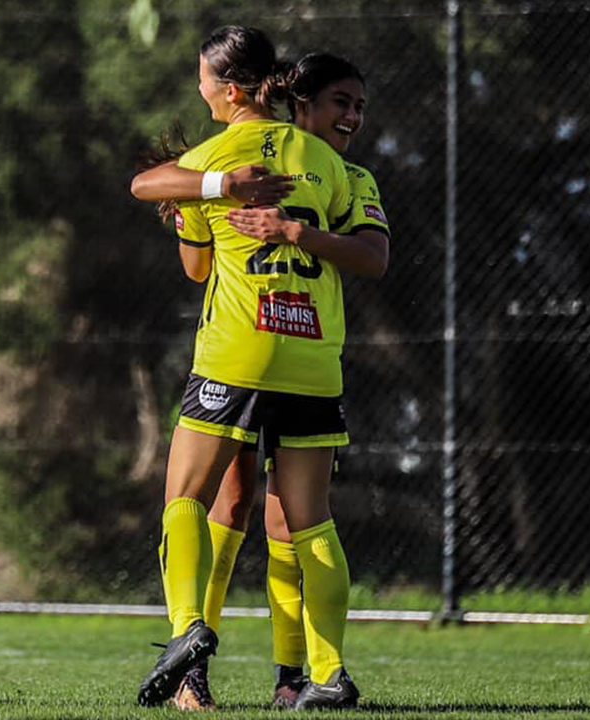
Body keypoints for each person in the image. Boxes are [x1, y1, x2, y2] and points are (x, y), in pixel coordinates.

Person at [131, 51, 390, 711]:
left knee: (214, 502)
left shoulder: (234, 156)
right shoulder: (334, 170)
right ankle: (307, 677)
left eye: (358, 105)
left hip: (239, 355)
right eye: (342, 103)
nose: (352, 117)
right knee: (270, 511)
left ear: (224, 88)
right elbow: (199, 254)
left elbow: (180, 243)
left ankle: (226, 652)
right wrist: (203, 213)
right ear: (298, 103)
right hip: (309, 358)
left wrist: (223, 204)